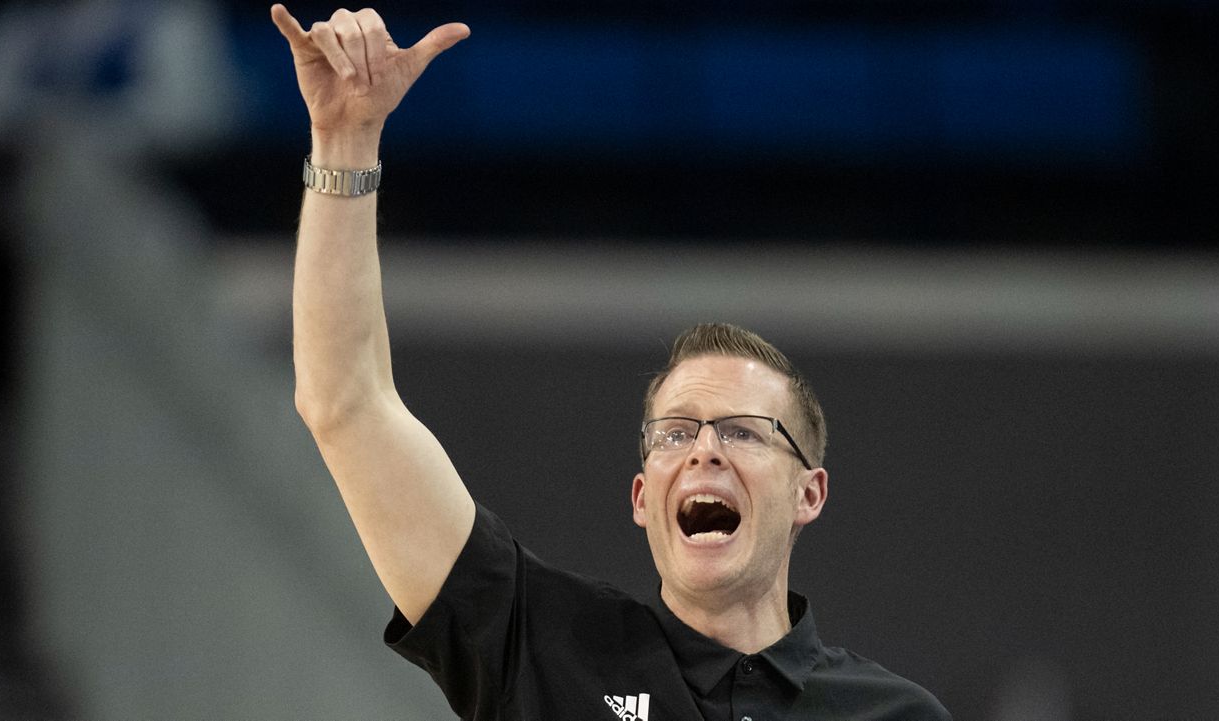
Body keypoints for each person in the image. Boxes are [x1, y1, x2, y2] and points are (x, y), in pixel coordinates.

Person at [272, 5, 951, 719]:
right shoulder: (539, 643)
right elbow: (344, 404)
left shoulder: (892, 713)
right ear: (640, 496)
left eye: (744, 430)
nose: (704, 451)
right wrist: (345, 140)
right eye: (676, 433)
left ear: (808, 494)